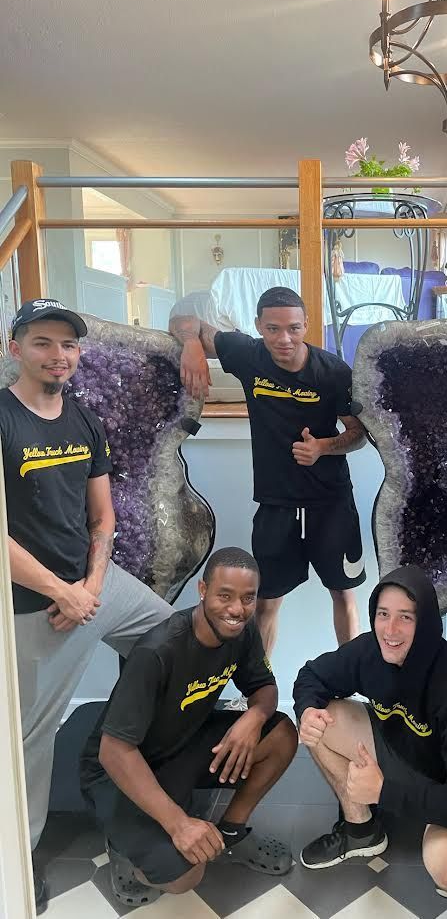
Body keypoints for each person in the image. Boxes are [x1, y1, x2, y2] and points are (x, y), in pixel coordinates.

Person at [0, 299, 175, 914]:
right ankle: (20, 859)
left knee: (171, 635)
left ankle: (124, 749)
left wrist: (94, 584)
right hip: (30, 604)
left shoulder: (81, 419)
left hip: (92, 584)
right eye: (44, 343)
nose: (59, 356)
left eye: (69, 346)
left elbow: (102, 518)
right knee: (29, 737)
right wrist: (63, 592)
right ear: (14, 346)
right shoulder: (2, 418)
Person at [80, 546, 298, 907]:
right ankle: (124, 843)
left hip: (183, 742)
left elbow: (264, 688)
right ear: (202, 590)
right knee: (185, 875)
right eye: (224, 596)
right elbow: (113, 751)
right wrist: (179, 824)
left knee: (282, 735)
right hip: (121, 767)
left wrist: (254, 717)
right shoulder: (158, 652)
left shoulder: (242, 633)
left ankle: (232, 832)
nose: (236, 609)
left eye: (248, 598)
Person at [293, 565, 447, 899]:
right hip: (405, 750)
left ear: (427, 623)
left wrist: (384, 791)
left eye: (406, 617)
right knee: (322, 719)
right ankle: (361, 831)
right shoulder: (369, 650)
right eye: (383, 614)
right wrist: (306, 710)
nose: (391, 629)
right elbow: (311, 676)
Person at [169, 286, 367, 658]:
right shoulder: (248, 355)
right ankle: (262, 690)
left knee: (343, 593)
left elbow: (358, 434)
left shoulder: (333, 373)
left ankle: (353, 680)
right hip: (277, 503)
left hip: (331, 501)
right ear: (259, 326)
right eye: (273, 328)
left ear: (306, 325)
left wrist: (322, 447)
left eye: (293, 328)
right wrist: (192, 345)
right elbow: (184, 319)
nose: (284, 339)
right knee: (266, 603)